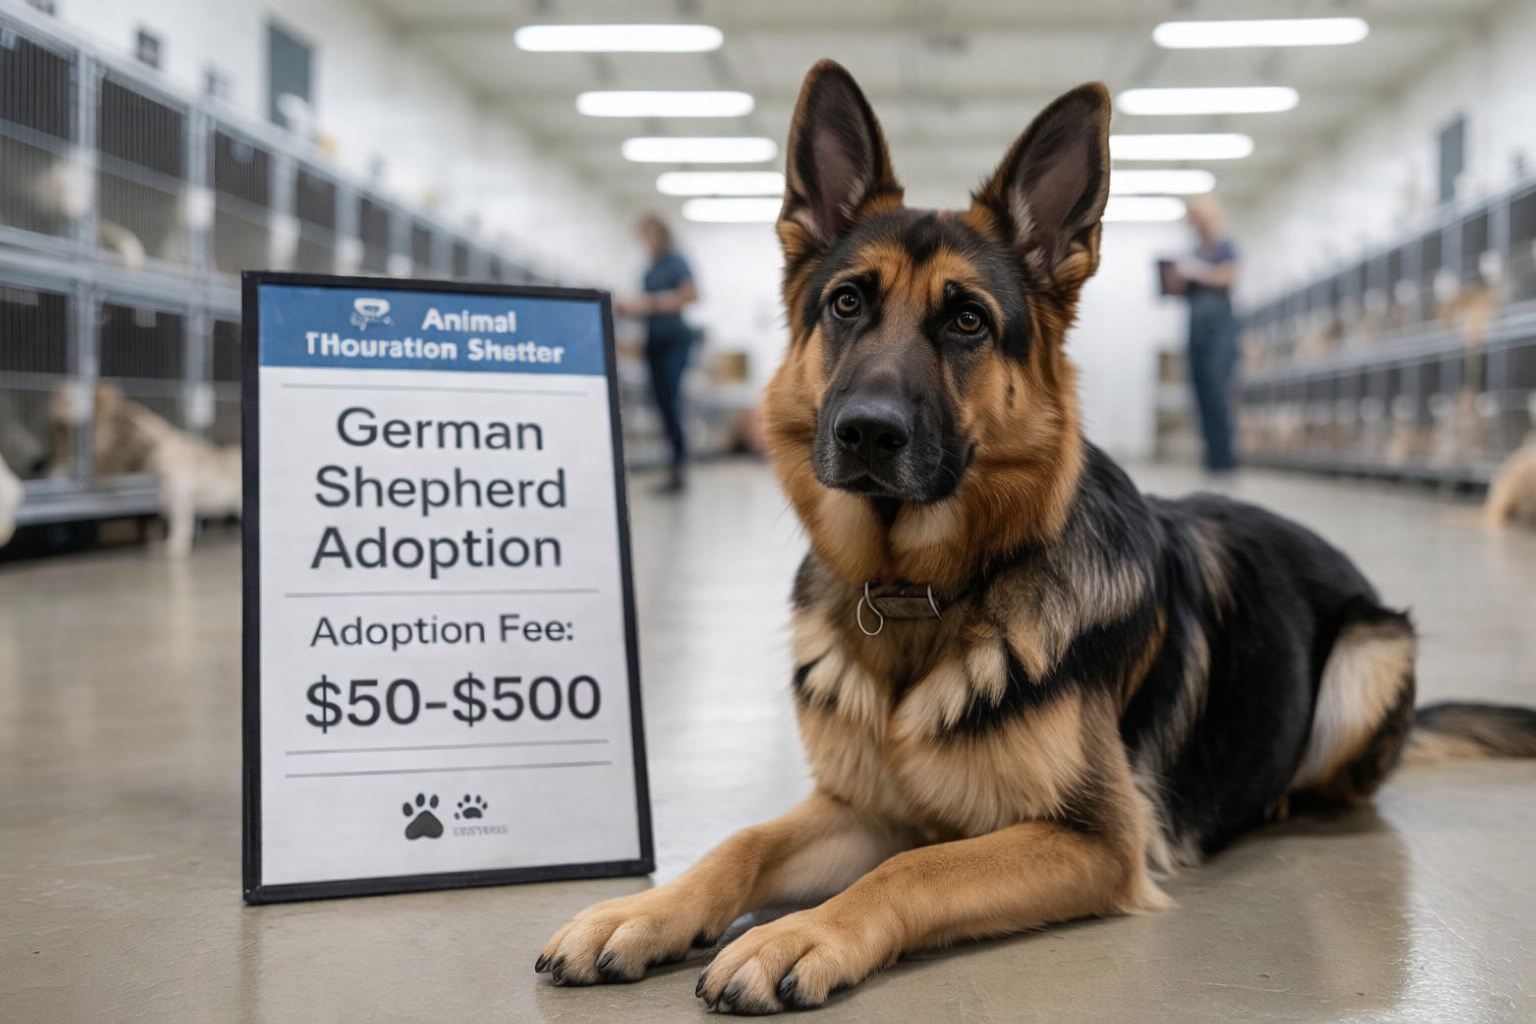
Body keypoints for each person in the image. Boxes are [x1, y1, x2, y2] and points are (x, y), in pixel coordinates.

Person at [615, 215, 700, 495]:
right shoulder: (647, 271)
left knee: (672, 404)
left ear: (662, 235)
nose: (646, 241)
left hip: (675, 341)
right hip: (654, 343)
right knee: (661, 406)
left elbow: (691, 294)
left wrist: (647, 304)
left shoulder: (676, 261)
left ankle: (679, 470)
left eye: (650, 234)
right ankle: (671, 469)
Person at [1169, 196, 1241, 474]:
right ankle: (1211, 458)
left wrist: (1198, 273)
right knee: (1200, 391)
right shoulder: (1193, 251)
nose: (1191, 222)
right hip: (1196, 328)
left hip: (1220, 328)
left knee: (1217, 390)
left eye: (1195, 216)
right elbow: (1179, 290)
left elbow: (1228, 277)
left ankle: (1225, 461)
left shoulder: (1224, 247)